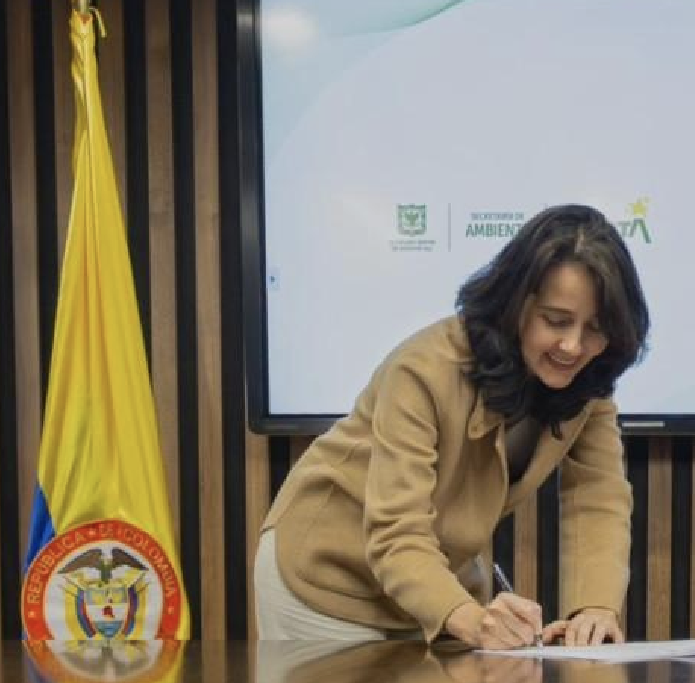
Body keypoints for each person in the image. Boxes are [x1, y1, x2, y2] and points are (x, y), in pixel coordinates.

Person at [255, 204, 650, 648]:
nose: (573, 346)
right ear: (515, 304)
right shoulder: (424, 368)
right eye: (556, 321)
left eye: (595, 328)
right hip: (327, 578)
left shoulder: (589, 384)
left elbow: (598, 496)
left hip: (429, 585)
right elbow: (397, 530)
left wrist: (594, 608)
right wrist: (471, 619)